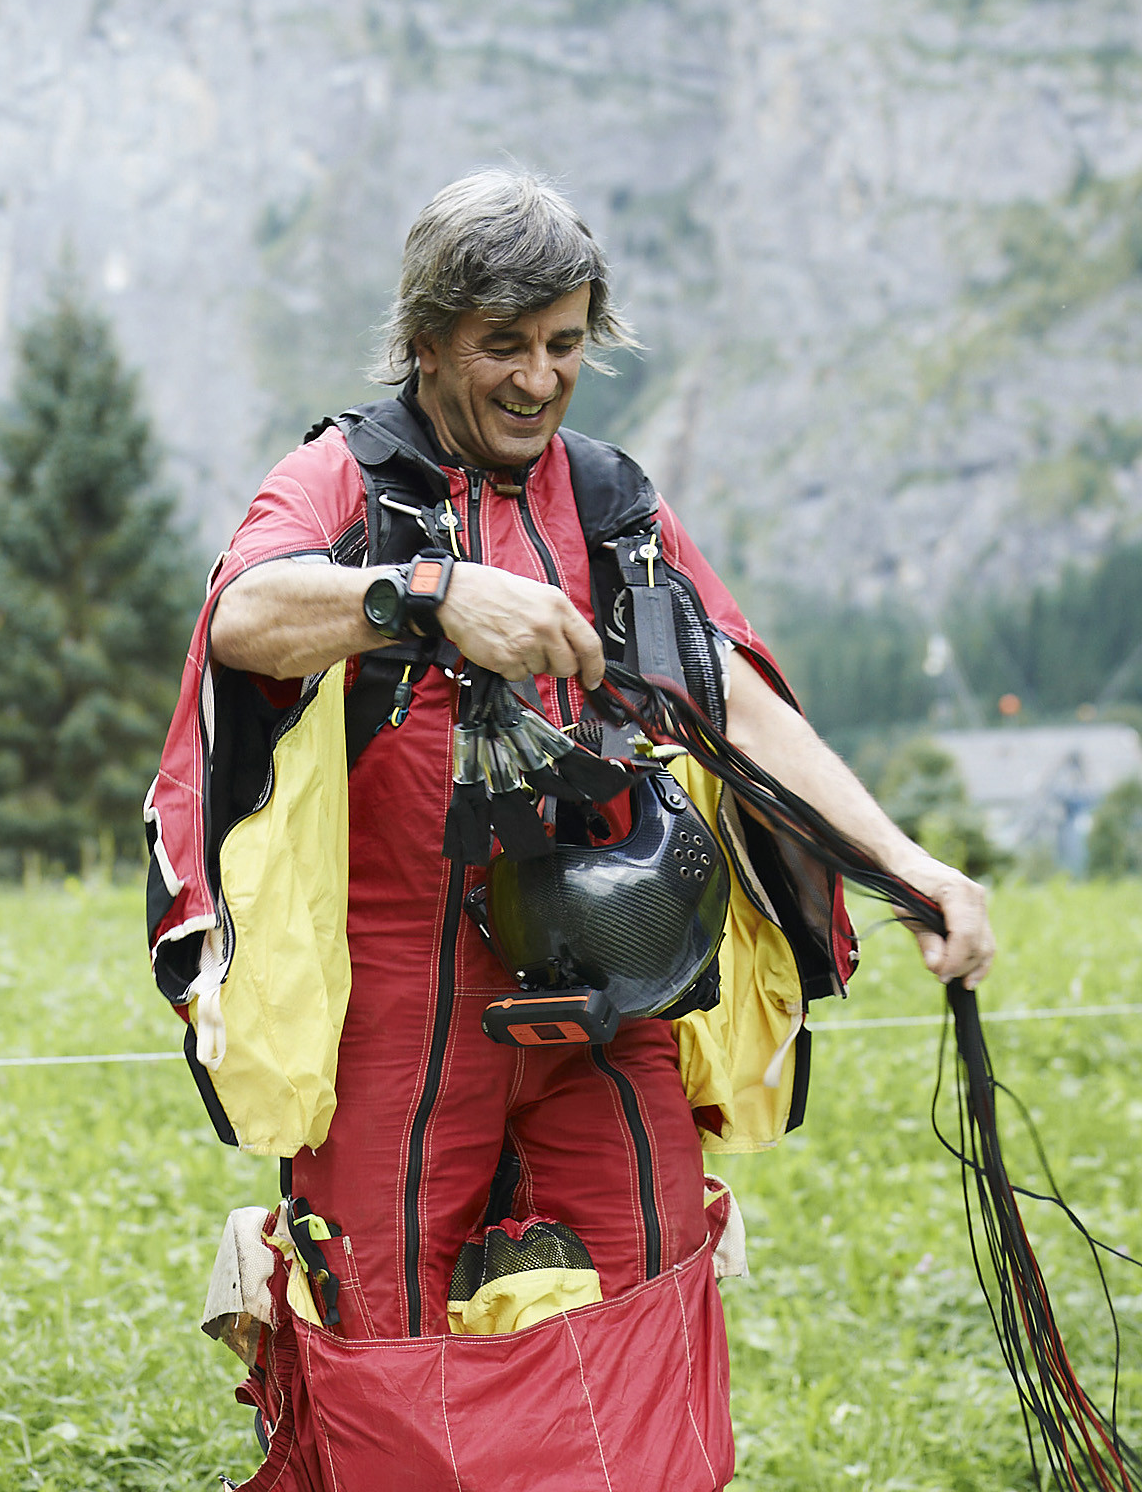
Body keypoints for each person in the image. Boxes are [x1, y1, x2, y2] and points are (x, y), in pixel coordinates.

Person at [149, 171, 994, 1492]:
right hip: (397, 996)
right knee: (384, 1321)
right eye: (504, 345)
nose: (540, 379)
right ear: (428, 340)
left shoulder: (610, 504)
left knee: (649, 1278)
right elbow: (246, 616)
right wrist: (427, 595)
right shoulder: (345, 479)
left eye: (563, 343)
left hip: (607, 980)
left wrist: (906, 864)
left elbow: (733, 699)